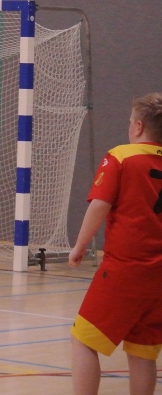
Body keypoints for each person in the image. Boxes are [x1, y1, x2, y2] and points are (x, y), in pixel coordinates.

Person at [68, 93, 162, 395]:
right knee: (143, 353)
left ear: (138, 126)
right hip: (158, 277)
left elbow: (99, 205)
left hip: (126, 269)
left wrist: (79, 246)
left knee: (83, 340)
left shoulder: (121, 156)